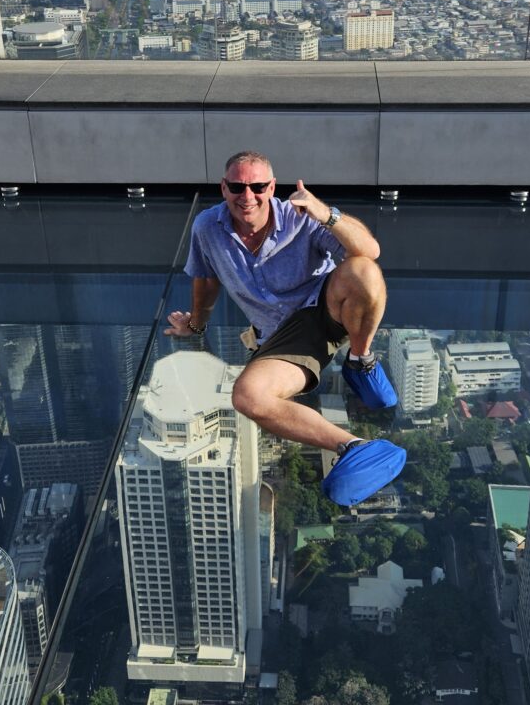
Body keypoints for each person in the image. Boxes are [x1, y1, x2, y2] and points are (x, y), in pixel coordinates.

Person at [165, 150, 406, 505]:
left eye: (258, 186)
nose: (247, 196)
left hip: (326, 306)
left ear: (272, 187)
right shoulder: (207, 228)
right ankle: (356, 447)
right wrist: (196, 325)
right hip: (282, 336)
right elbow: (206, 279)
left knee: (364, 272)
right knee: (248, 396)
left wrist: (325, 213)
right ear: (224, 187)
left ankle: (360, 358)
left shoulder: (301, 218)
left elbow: (369, 250)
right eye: (237, 186)